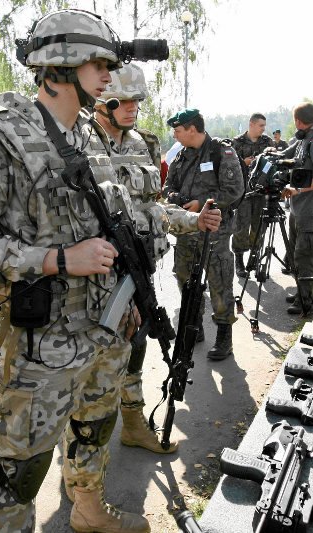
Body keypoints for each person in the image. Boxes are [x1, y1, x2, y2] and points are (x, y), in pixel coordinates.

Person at [0, 9, 213, 532]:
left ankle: (88, 511)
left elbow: (124, 218)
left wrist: (135, 286)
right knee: (22, 465)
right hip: (43, 344)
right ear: (59, 64)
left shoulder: (92, 136)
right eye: (99, 62)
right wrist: (57, 260)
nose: (110, 75)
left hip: (105, 332)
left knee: (94, 428)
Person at [93, 64, 221, 455]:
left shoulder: (142, 143)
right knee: (92, 369)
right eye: (123, 101)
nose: (132, 108)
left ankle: (133, 423)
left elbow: (153, 208)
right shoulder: (78, 141)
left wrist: (192, 220)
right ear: (101, 102)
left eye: (137, 101)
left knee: (135, 347)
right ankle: (83, 467)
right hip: (92, 276)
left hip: (135, 272)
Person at [163, 109, 244, 360]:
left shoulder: (222, 152)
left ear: (192, 129)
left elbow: (234, 191)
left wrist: (200, 202)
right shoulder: (181, 156)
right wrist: (178, 200)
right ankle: (193, 325)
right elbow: (168, 187)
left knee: (219, 283)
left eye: (178, 130)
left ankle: (224, 335)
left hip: (214, 233)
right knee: (185, 278)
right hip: (186, 230)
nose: (174, 135)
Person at [276, 103, 313, 315]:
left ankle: (306, 302)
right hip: (298, 208)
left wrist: (297, 189)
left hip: (310, 209)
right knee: (295, 253)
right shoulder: (305, 139)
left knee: (305, 254)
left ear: (298, 121)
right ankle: (304, 291)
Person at [231, 113, 273, 278]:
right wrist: (244, 163)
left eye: (264, 126)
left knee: (259, 226)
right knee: (241, 226)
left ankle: (254, 259)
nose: (263, 129)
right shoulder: (237, 142)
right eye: (261, 125)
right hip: (244, 192)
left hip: (262, 191)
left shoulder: (267, 142)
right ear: (252, 124)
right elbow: (229, 166)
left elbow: (273, 162)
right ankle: (239, 261)